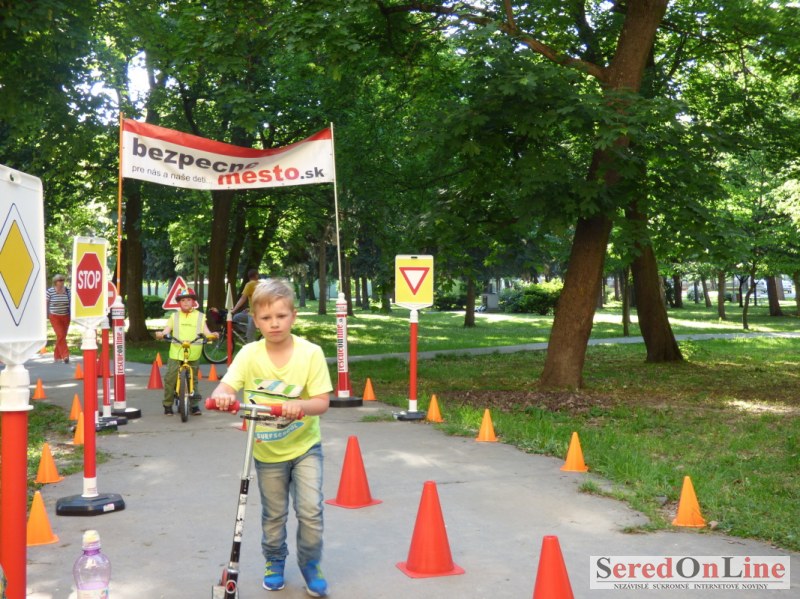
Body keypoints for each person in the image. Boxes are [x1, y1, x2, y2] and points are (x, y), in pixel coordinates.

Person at [210, 278, 332, 597]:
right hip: (267, 451)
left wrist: (299, 406)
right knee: (274, 514)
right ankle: (275, 561)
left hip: (305, 447)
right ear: (255, 319)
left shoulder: (311, 354)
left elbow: (321, 402)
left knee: (310, 510)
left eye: (281, 315)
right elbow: (226, 386)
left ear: (293, 316)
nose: (274, 323)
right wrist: (223, 395)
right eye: (266, 318)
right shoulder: (249, 354)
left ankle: (310, 563)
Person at [155, 287, 217, 416]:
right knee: (171, 378)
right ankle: (167, 404)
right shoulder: (175, 316)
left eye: (188, 300)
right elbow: (167, 330)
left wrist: (212, 335)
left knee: (193, 379)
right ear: (179, 303)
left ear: (193, 302)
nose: (186, 302)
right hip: (176, 352)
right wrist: (161, 334)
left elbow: (206, 332)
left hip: (193, 352)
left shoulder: (200, 316)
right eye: (182, 300)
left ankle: (194, 405)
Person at [46, 274, 71, 363]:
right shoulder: (50, 291)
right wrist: (45, 314)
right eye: (59, 280)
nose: (61, 282)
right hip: (54, 316)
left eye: (62, 280)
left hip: (66, 316)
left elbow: (72, 301)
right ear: (55, 282)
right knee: (60, 335)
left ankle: (57, 356)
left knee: (62, 336)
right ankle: (65, 356)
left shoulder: (67, 291)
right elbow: (45, 302)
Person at [231, 268, 260, 342]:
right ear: (256, 275)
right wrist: (249, 308)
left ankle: (249, 335)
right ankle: (249, 332)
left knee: (250, 339)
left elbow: (243, 298)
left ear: (249, 276)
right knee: (236, 318)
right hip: (253, 312)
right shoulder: (261, 284)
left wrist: (234, 310)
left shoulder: (250, 284)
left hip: (254, 315)